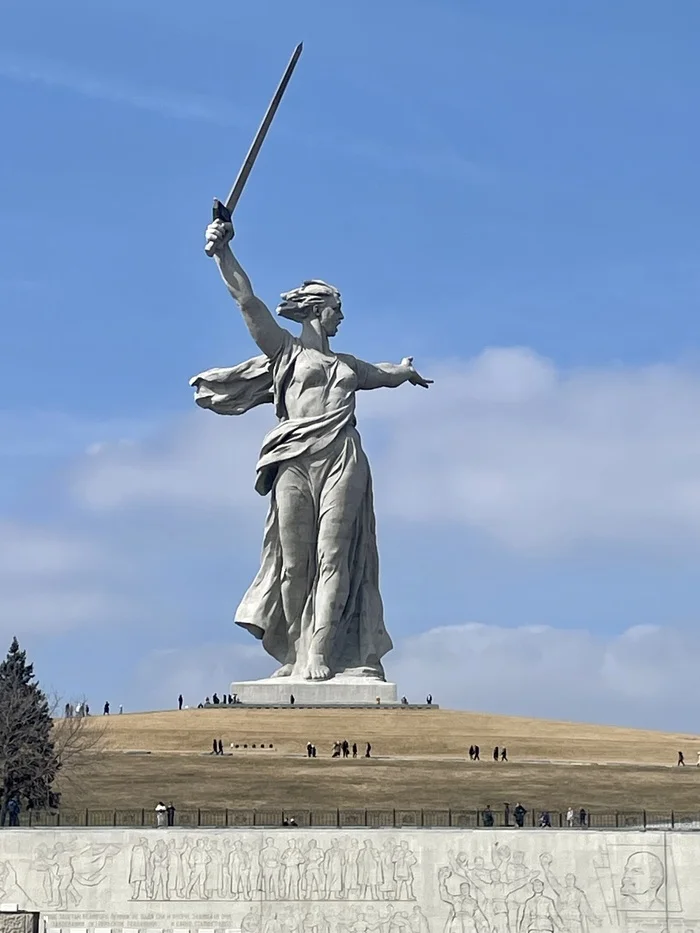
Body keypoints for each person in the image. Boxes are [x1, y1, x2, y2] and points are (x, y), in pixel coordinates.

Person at [196, 220, 432, 683]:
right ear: (316, 311)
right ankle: (295, 651)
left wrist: (404, 372)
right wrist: (223, 253)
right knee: (293, 562)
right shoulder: (285, 354)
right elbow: (248, 303)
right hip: (293, 460)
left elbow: (382, 373)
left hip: (342, 457)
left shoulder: (347, 365)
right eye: (337, 309)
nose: (342, 318)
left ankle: (320, 652)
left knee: (334, 557)